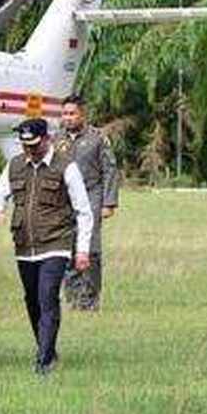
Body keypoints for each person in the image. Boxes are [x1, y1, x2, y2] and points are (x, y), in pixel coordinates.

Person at [0, 118, 93, 376]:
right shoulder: (14, 165)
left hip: (56, 243)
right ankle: (47, 347)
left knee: (47, 297)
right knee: (32, 300)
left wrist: (82, 250)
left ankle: (43, 360)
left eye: (35, 145)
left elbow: (83, 211)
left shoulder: (65, 167)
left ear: (47, 140)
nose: (30, 151)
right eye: (25, 146)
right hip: (24, 246)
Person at [55, 95, 119, 311]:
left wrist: (108, 203)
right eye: (65, 114)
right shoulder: (56, 139)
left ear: (83, 114)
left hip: (92, 195)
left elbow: (110, 169)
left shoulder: (97, 138)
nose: (68, 118)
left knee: (89, 249)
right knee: (68, 249)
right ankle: (73, 298)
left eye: (72, 113)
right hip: (64, 201)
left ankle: (89, 301)